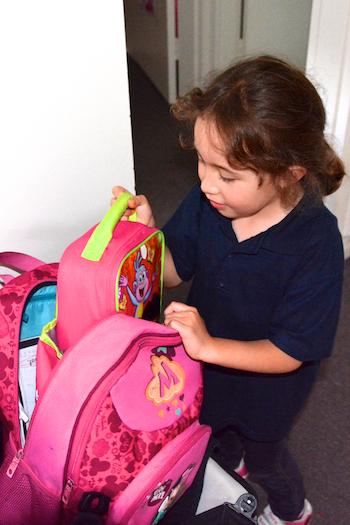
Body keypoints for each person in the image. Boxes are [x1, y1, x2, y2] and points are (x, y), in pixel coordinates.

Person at [112, 55, 345, 525]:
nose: (205, 181)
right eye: (201, 160)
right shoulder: (208, 202)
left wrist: (208, 345)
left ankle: (291, 511)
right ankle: (230, 460)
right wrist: (147, 240)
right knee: (213, 434)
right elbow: (175, 271)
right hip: (206, 369)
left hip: (268, 391)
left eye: (226, 174)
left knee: (266, 459)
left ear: (290, 171)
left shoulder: (317, 243)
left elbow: (290, 351)